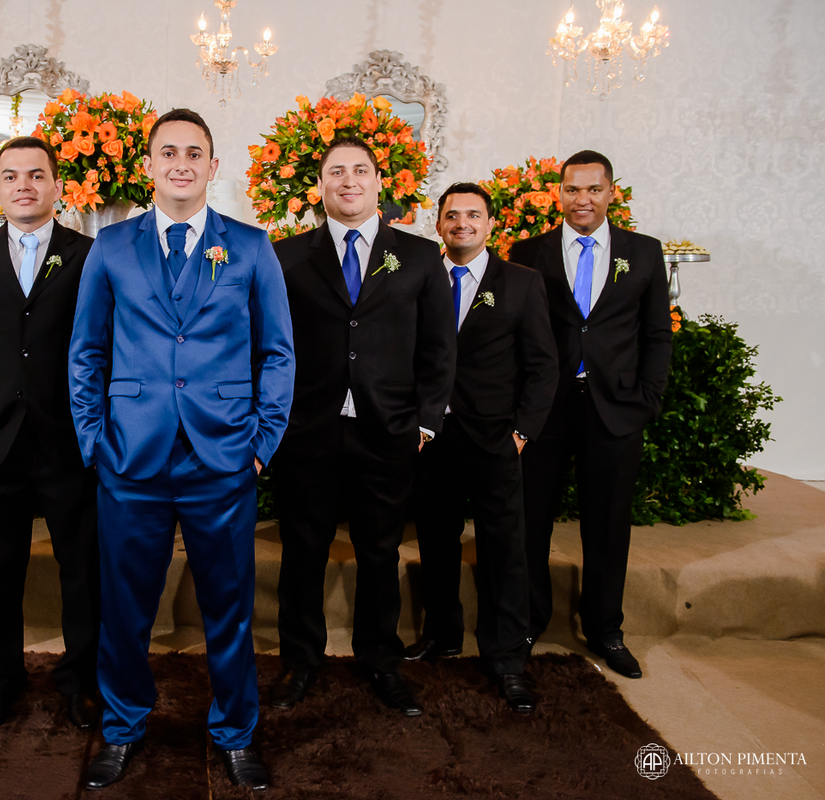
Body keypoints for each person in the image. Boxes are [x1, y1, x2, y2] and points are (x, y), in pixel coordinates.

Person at [68, 108, 295, 791]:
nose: (181, 164)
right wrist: (94, 440)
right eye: (168, 152)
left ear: (213, 167)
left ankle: (236, 733)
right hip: (130, 456)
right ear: (149, 166)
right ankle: (122, 727)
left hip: (222, 454)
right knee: (124, 608)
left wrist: (261, 441)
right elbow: (86, 351)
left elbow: (278, 352)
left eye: (194, 153)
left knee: (229, 608)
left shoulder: (250, 246)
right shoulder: (111, 247)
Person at [268, 137, 456, 717]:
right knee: (303, 551)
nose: (348, 180)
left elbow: (439, 348)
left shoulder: (421, 257)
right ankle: (300, 661)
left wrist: (426, 422)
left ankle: (381, 660)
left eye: (360, 170)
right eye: (335, 172)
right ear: (319, 185)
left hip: (388, 430)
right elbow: (266, 344)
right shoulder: (284, 256)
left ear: (379, 182)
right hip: (308, 430)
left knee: (380, 551)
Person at [0, 137, 100, 735]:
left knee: (83, 569)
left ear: (58, 185)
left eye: (36, 174)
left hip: (68, 440)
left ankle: (82, 681)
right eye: (11, 176)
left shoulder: (89, 254)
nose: (24, 185)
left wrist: (99, 431)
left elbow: (105, 348)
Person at [509, 150, 672, 679]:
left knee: (607, 525)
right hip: (544, 410)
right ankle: (528, 622)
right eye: (572, 189)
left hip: (615, 410)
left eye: (593, 189)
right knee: (530, 521)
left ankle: (605, 629)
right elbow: (514, 334)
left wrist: (647, 399)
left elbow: (656, 334)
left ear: (611, 193)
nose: (582, 199)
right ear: (558, 193)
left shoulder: (643, 252)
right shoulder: (527, 252)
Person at [403, 183, 558, 713]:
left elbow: (543, 366)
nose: (462, 223)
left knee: (504, 549)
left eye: (473, 215)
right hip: (432, 438)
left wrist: (522, 432)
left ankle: (507, 657)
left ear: (491, 224)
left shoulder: (522, 283)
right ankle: (442, 634)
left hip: (495, 439)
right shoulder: (420, 277)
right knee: (436, 542)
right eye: (452, 215)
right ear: (438, 225)